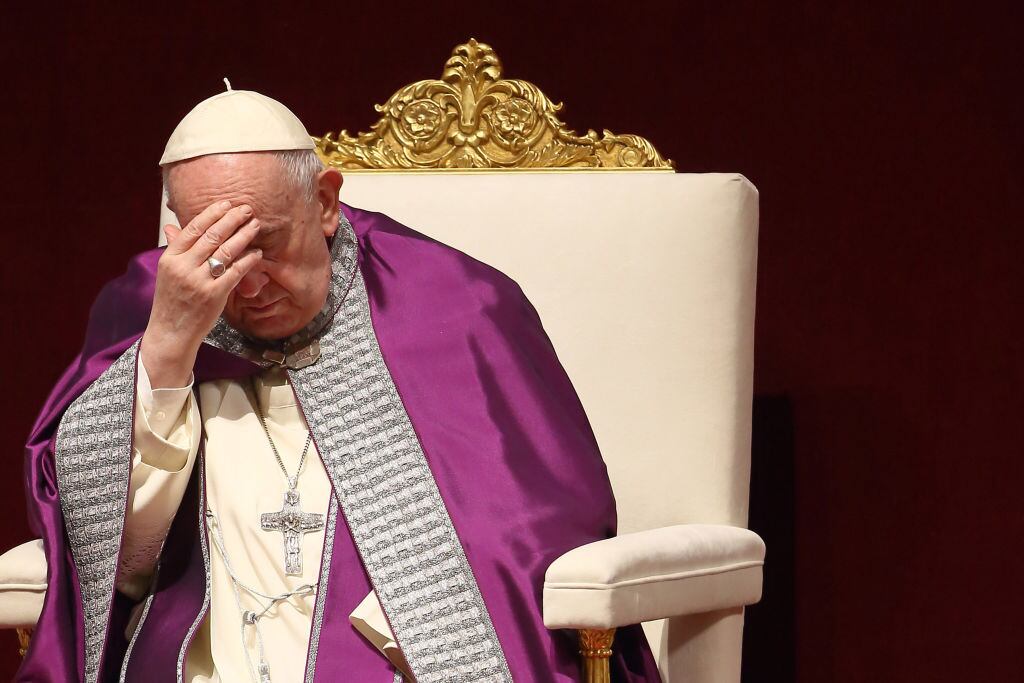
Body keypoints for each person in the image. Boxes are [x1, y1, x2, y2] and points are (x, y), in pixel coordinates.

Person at [20, 85, 660, 682]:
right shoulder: (152, 311)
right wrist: (167, 350)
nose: (245, 285)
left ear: (324, 203)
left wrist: (418, 617)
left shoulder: (454, 305)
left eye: (264, 244)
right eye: (216, 252)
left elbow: (548, 513)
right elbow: (115, 559)